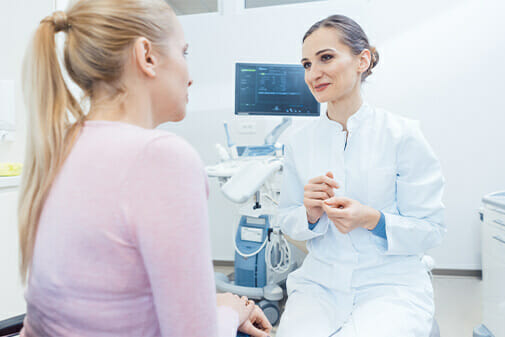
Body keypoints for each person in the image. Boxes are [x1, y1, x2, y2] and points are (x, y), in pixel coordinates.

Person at [17, 1, 272, 336]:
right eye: (184, 52)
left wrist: (214, 307)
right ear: (147, 56)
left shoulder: (61, 144)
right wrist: (231, 310)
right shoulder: (162, 158)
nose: (190, 76)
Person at [276, 15, 445, 337]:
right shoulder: (299, 142)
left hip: (390, 283)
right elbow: (287, 219)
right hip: (320, 283)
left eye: (326, 58)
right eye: (306, 64)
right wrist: (309, 214)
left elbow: (431, 230)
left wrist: (372, 218)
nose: (314, 73)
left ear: (362, 60)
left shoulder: (402, 135)